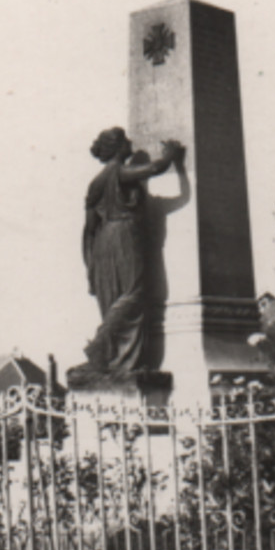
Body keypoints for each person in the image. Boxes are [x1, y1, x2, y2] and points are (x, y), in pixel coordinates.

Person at [82, 127, 185, 372]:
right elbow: (153, 169)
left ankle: (112, 358)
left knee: (115, 297)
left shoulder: (95, 183)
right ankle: (100, 344)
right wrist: (172, 158)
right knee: (134, 293)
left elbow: (88, 229)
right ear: (117, 148)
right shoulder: (117, 172)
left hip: (103, 243)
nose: (130, 143)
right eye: (125, 141)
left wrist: (91, 265)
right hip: (125, 236)